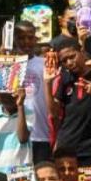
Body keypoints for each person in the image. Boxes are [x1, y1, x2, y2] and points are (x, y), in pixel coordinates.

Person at [45, 36, 91, 166]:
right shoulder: (65, 77)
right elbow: (54, 113)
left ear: (82, 52)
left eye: (72, 57)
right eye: (64, 61)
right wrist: (48, 84)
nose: (69, 63)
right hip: (66, 147)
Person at [16, 20, 53, 163]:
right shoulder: (7, 65)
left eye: (30, 37)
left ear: (36, 39)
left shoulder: (45, 64)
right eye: (21, 37)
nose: (26, 41)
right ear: (14, 40)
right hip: (16, 136)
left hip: (41, 134)